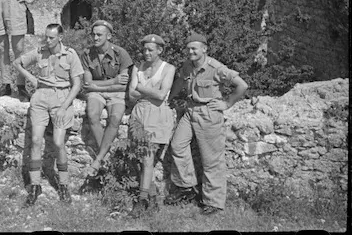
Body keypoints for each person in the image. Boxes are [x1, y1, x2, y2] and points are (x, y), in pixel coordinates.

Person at [165, 33, 249, 215]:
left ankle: (214, 202)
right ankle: (187, 187)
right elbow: (180, 81)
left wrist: (226, 103)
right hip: (190, 111)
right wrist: (169, 98)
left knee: (211, 159)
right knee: (177, 145)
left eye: (194, 48)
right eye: (188, 48)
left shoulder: (215, 67)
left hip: (209, 114)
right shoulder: (188, 66)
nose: (190, 51)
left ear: (204, 49)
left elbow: (242, 85)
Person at [13, 24, 83, 206]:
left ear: (60, 37)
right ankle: (35, 186)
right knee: (36, 140)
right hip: (41, 98)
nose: (48, 40)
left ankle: (64, 185)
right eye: (46, 37)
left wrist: (63, 107)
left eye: (52, 37)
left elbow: (77, 85)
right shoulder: (40, 52)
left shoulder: (70, 54)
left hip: (62, 98)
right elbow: (17, 63)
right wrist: (32, 79)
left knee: (59, 143)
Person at [126, 34, 176, 217]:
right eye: (144, 49)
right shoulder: (138, 67)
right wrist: (146, 91)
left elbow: (162, 95)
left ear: (160, 51)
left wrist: (139, 87)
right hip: (139, 113)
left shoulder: (168, 68)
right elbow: (131, 96)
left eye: (150, 50)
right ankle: (153, 199)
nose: (146, 53)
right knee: (140, 158)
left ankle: (142, 200)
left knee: (148, 158)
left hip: (157, 115)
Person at [80, 20, 133, 176]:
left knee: (115, 117)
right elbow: (87, 83)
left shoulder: (120, 53)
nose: (95, 38)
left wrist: (99, 85)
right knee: (92, 115)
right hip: (97, 93)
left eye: (99, 35)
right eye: (93, 34)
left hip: (116, 93)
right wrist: (113, 82)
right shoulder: (87, 54)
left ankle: (99, 159)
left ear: (109, 36)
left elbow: (123, 86)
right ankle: (107, 157)